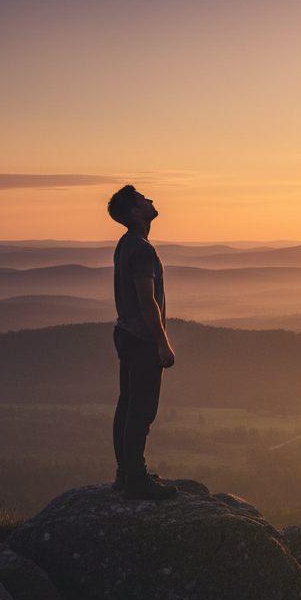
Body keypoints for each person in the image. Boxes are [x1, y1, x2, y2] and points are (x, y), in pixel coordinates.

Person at [106, 185, 178, 500]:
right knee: (142, 410)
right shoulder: (142, 249)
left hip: (125, 333)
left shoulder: (125, 245)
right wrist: (162, 342)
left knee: (127, 406)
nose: (150, 200)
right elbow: (147, 301)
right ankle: (135, 480)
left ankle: (126, 474)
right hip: (142, 337)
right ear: (136, 211)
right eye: (143, 199)